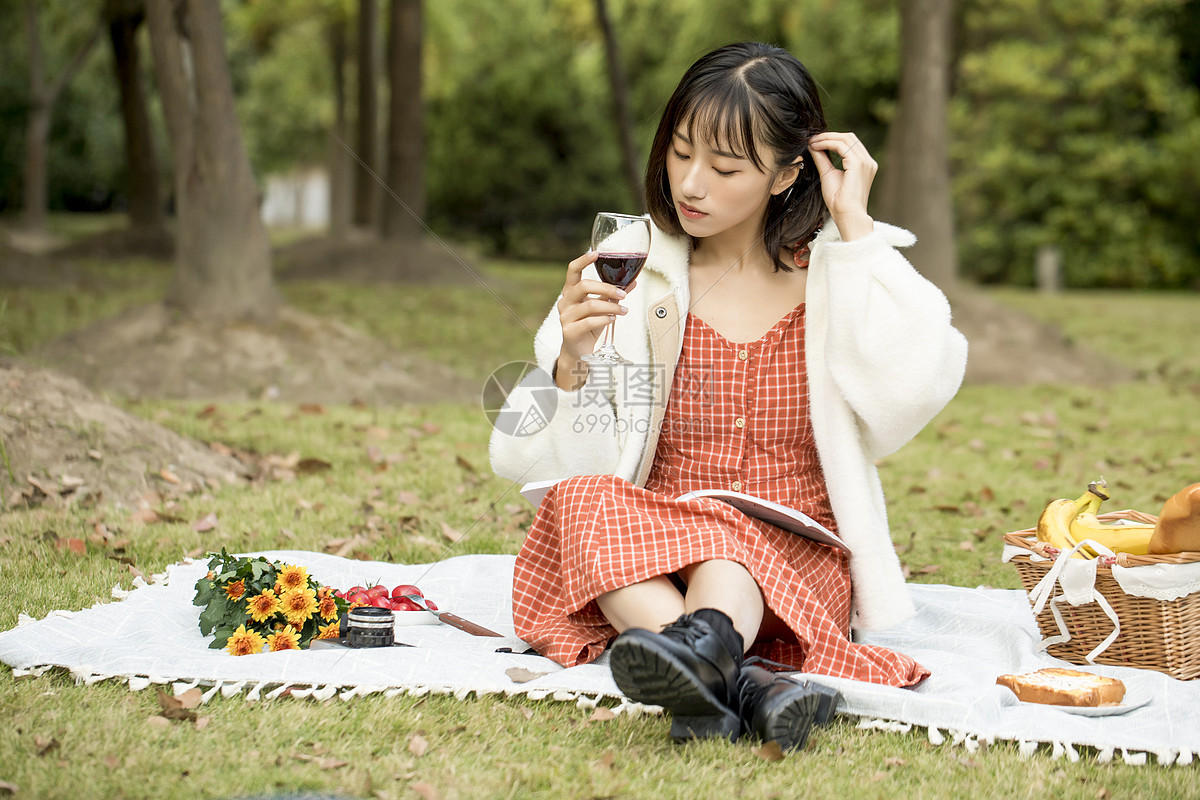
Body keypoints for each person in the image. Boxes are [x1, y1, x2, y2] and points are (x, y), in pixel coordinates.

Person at [490, 42, 967, 751]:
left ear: (786, 175)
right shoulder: (632, 268)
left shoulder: (838, 275)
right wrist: (571, 360)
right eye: (680, 153)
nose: (691, 184)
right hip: (653, 549)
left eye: (724, 168)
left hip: (795, 557)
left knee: (727, 548)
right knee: (577, 501)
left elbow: (916, 383)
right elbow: (530, 456)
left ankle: (702, 666)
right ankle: (742, 682)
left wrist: (860, 235)